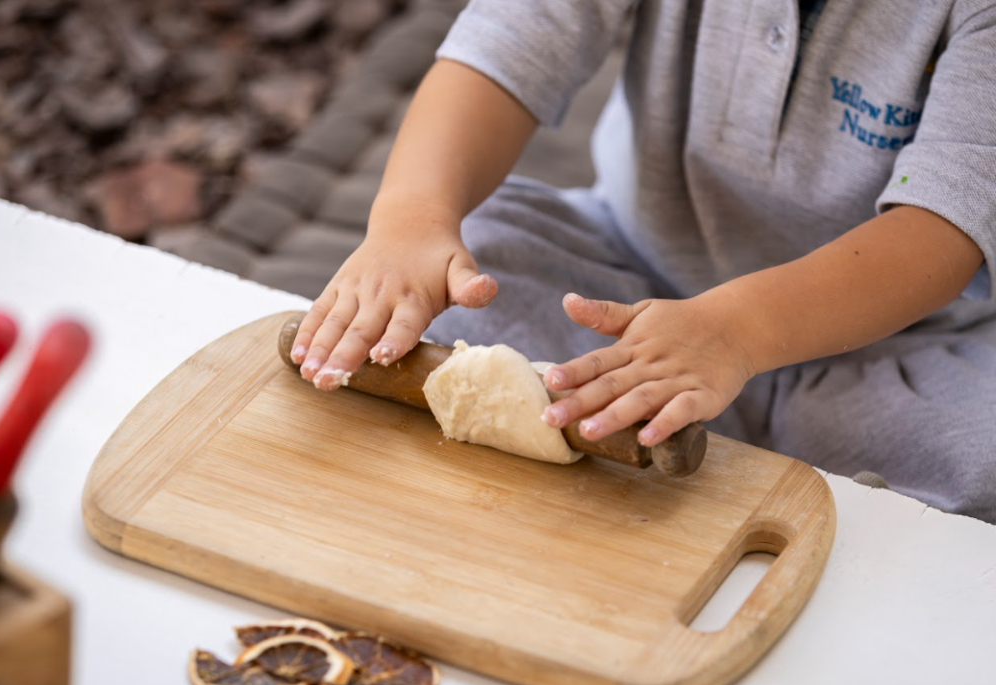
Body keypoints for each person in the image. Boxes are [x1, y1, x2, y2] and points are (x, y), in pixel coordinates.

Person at [289, 0, 996, 523]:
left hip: (896, 343)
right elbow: (506, 43)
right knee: (483, 252)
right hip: (626, 272)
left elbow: (943, 228)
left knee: (981, 455)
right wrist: (412, 220)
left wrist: (739, 332)